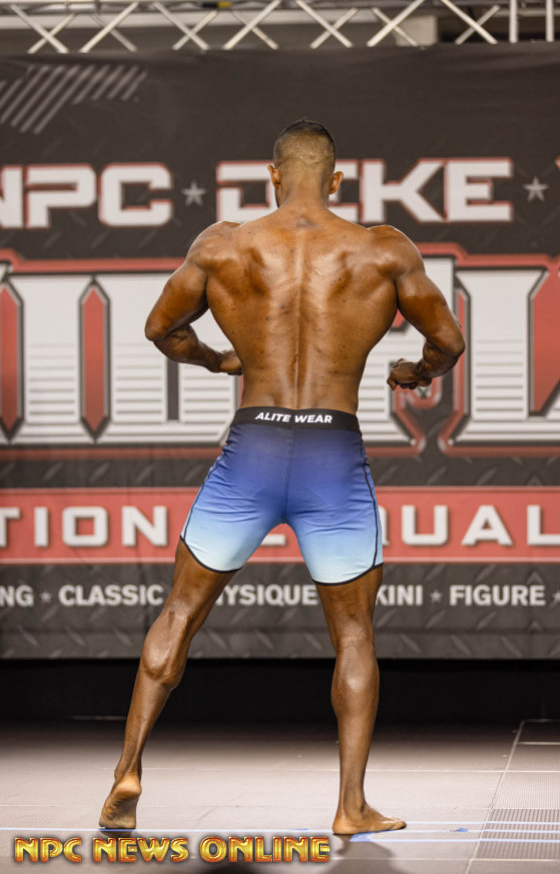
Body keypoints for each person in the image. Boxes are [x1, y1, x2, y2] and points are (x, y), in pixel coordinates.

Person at [99, 119, 465, 836]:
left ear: (272, 176)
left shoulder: (223, 245)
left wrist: (218, 361)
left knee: (179, 612)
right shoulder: (383, 250)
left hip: (253, 453)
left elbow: (161, 328)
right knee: (354, 635)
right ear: (337, 180)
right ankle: (350, 806)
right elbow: (448, 341)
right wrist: (414, 372)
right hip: (332, 457)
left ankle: (127, 772)